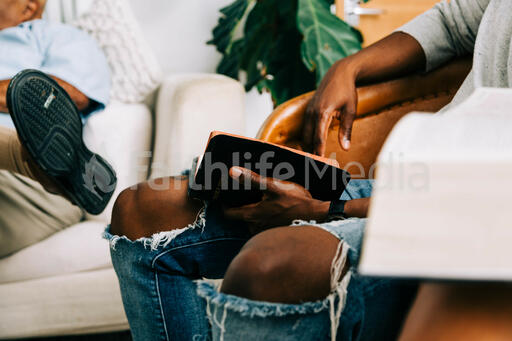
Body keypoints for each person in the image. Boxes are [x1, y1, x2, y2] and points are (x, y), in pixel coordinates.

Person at [106, 0, 512, 340]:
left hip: (466, 218)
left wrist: (329, 211)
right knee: (143, 210)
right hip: (402, 183)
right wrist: (347, 68)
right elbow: (453, 21)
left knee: (271, 265)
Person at [0, 0, 116, 257]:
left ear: (28, 8)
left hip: (31, 192)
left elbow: (67, 94)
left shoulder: (57, 36)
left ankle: (36, 164)